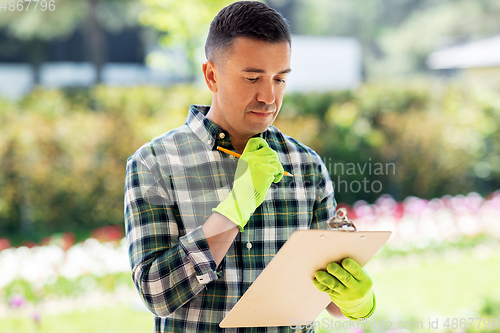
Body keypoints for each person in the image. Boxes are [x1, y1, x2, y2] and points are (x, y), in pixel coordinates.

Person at [124, 1, 376, 332]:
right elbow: (157, 293)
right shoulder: (154, 163)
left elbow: (328, 297)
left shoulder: (306, 166)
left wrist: (357, 299)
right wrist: (236, 206)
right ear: (212, 75)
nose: (269, 97)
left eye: (280, 79)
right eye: (253, 78)